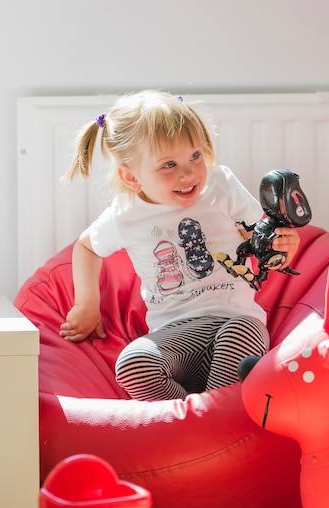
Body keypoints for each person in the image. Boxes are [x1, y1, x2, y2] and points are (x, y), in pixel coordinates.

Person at [59, 89, 300, 401]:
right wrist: (87, 306)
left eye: (195, 156)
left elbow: (256, 237)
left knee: (241, 330)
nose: (189, 174)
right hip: (175, 335)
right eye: (169, 165)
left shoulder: (220, 185)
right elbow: (87, 247)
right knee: (132, 364)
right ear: (132, 178)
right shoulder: (126, 214)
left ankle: (211, 419)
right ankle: (194, 419)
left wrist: (279, 246)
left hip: (235, 321)